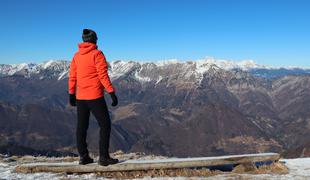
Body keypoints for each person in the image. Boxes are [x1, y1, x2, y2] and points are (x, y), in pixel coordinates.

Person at [68, 29, 119, 166]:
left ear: (84, 40)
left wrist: (71, 94)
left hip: (80, 97)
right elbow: (103, 75)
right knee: (105, 125)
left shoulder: (76, 56)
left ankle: (84, 157)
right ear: (94, 39)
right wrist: (111, 92)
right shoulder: (97, 54)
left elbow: (72, 76)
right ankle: (103, 157)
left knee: (81, 127)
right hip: (95, 96)